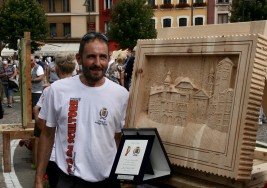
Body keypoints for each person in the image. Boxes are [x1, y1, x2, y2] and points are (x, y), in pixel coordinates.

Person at [34, 32, 129, 188]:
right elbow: (47, 134)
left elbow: (117, 138)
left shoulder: (121, 95)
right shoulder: (57, 90)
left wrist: (126, 173)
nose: (97, 63)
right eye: (91, 56)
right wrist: (38, 179)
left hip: (108, 181)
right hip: (69, 180)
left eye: (103, 57)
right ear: (79, 59)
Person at [33, 53, 77, 188]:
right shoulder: (82, 88)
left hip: (55, 153)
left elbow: (39, 116)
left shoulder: (51, 90)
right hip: (76, 152)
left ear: (56, 68)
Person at [31, 57, 45, 137]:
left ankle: (36, 120)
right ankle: (33, 119)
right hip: (31, 90)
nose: (30, 62)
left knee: (36, 106)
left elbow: (41, 77)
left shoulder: (38, 67)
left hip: (37, 90)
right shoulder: (29, 68)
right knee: (32, 105)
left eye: (31, 60)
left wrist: (32, 80)